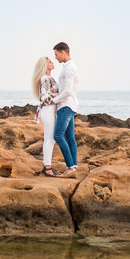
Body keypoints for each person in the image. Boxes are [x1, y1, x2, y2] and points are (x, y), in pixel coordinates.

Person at [52, 41, 80, 177]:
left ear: (63, 52)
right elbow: (66, 89)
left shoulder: (69, 68)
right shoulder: (67, 67)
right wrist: (58, 92)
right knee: (69, 137)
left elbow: (68, 91)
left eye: (56, 54)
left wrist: (54, 100)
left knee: (58, 135)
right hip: (69, 105)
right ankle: (73, 167)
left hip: (66, 106)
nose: (55, 57)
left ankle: (70, 167)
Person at [31, 56, 59, 176]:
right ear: (45, 65)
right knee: (49, 139)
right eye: (49, 62)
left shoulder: (49, 78)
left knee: (50, 139)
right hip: (47, 110)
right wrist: (58, 95)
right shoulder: (45, 78)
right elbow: (44, 98)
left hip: (50, 110)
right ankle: (47, 167)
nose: (52, 62)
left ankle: (47, 165)